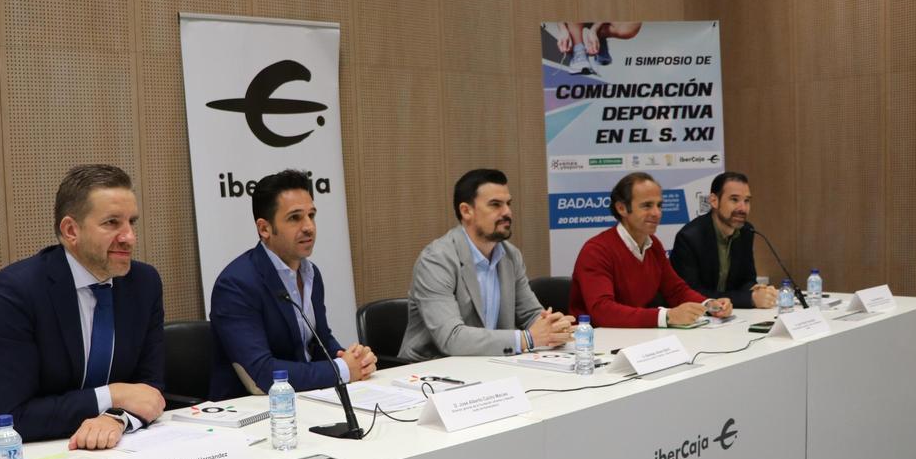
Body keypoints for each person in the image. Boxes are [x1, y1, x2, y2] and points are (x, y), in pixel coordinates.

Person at [0, 165, 166, 450]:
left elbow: (149, 391)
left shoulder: (143, 283)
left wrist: (116, 418)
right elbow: (13, 415)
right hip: (5, 454)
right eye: (112, 223)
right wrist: (111, 396)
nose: (129, 237)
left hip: (104, 448)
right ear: (71, 230)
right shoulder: (14, 292)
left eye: (132, 222)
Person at [209, 169, 376, 400]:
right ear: (264, 229)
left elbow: (320, 341)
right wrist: (342, 369)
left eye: (311, 215)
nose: (309, 227)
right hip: (251, 408)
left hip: (305, 397)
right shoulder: (236, 284)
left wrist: (355, 360)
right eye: (295, 218)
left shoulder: (311, 274)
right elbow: (262, 373)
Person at [400, 169, 574, 362]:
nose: (507, 212)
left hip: (491, 363)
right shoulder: (436, 260)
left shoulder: (510, 255)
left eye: (508, 204)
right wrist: (527, 338)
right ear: (466, 211)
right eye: (495, 205)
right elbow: (451, 338)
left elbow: (530, 314)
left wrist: (553, 327)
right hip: (432, 367)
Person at [568, 172, 733, 328]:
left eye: (659, 205)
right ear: (622, 208)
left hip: (636, 335)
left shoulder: (653, 245)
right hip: (593, 340)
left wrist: (709, 305)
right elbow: (602, 311)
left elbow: (675, 290)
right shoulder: (596, 251)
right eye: (647, 205)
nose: (657, 213)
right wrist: (666, 317)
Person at [670, 172, 777, 309]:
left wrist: (756, 289)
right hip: (698, 315)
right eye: (734, 200)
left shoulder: (746, 231)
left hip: (732, 314)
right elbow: (690, 293)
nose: (743, 208)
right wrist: (749, 299)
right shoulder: (689, 238)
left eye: (746, 201)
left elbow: (746, 279)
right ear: (714, 201)